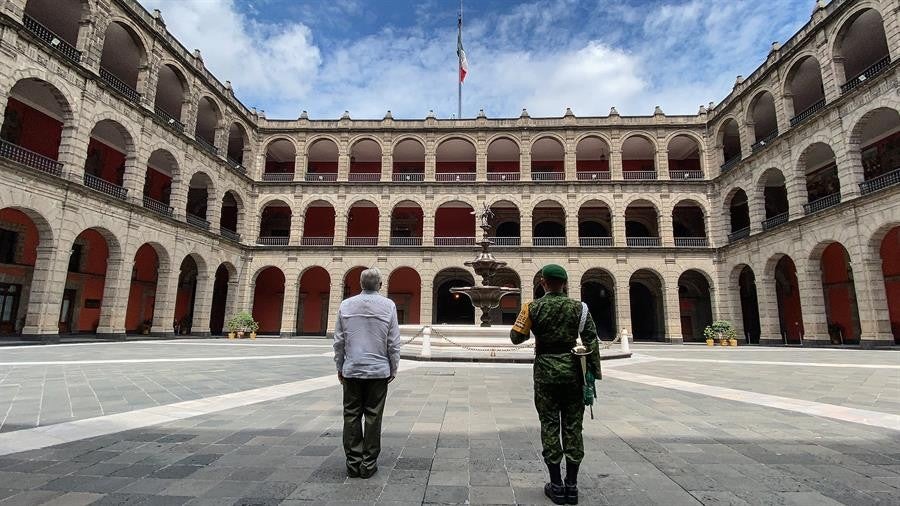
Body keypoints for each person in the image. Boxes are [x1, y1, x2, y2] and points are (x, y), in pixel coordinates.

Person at [510, 264, 601, 505]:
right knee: (573, 427)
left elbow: (516, 338)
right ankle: (572, 486)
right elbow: (591, 340)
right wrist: (592, 375)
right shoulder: (580, 308)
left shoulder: (533, 307)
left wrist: (527, 319)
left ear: (543, 282)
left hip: (545, 371)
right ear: (565, 283)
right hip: (573, 372)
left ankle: (556, 486)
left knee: (549, 425)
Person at [333, 267, 401, 479]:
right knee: (373, 417)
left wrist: (340, 366)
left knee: (351, 415)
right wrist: (394, 367)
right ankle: (368, 464)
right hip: (378, 371)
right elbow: (393, 342)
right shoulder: (388, 305)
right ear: (380, 285)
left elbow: (339, 342)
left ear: (361, 284)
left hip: (352, 370)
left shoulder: (346, 304)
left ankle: (353, 464)